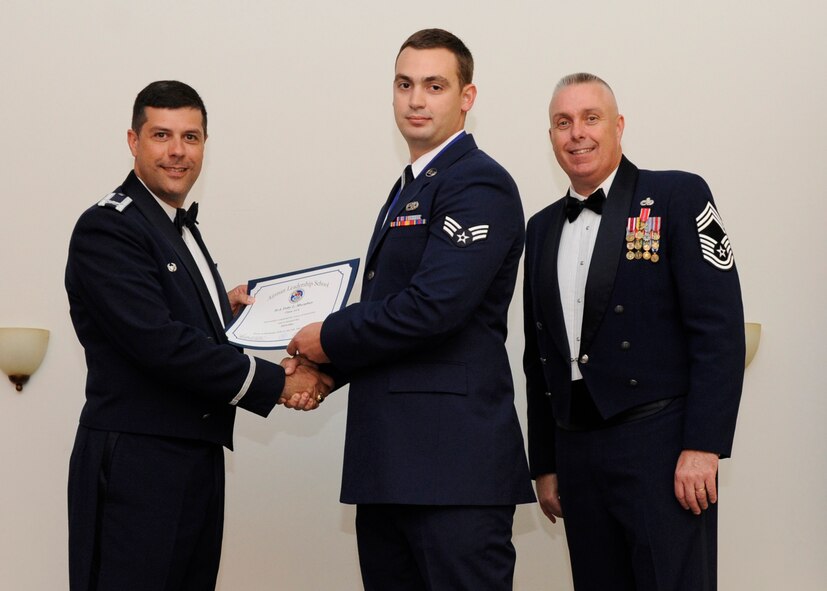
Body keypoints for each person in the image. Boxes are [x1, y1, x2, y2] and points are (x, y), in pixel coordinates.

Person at [287, 29, 534, 591]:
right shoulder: (409, 188)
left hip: (453, 470)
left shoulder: (479, 183)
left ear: (466, 97)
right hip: (391, 466)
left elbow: (433, 307)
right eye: (404, 84)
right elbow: (389, 311)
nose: (416, 99)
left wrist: (328, 336)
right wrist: (326, 370)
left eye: (434, 85)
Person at [65, 80, 332, 591]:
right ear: (132, 141)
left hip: (193, 455)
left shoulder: (174, 226)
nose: (177, 151)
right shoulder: (108, 227)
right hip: (138, 464)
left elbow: (177, 322)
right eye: (161, 135)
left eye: (191, 137)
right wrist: (277, 383)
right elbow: (159, 344)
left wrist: (219, 311)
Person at [523, 72, 745, 590]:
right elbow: (540, 355)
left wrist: (703, 446)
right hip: (576, 451)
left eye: (590, 118)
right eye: (563, 122)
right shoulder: (540, 227)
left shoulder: (676, 195)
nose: (577, 133)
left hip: (660, 447)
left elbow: (719, 329)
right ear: (551, 136)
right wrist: (546, 463)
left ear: (619, 126)